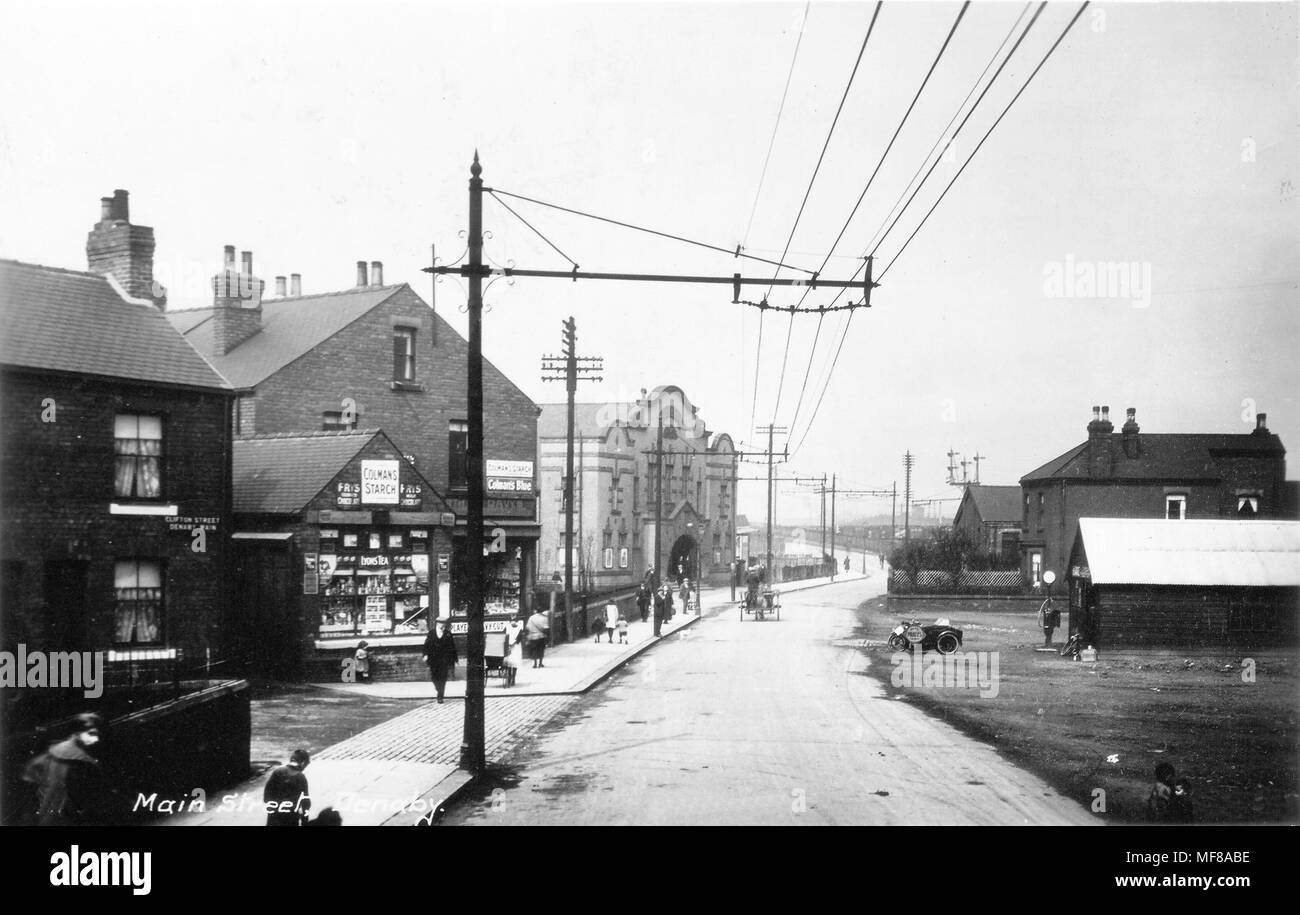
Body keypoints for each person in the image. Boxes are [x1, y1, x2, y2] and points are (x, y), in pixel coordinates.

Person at [23, 712, 107, 826]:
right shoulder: (65, 756)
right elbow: (53, 789)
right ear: (77, 733)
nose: (96, 739)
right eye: (91, 733)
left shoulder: (70, 754)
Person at [264, 748, 312, 826]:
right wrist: (305, 821)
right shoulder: (300, 777)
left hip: (274, 817)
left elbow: (267, 794)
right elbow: (305, 802)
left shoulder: (277, 772)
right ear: (303, 763)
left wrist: (272, 808)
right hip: (291, 818)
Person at [423, 619, 458, 703]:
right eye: (441, 623)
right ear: (437, 623)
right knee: (434, 677)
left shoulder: (448, 634)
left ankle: (440, 696)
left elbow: (452, 647)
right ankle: (438, 688)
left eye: (444, 623)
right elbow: (426, 645)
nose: (443, 625)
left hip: (444, 660)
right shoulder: (431, 633)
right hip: (433, 659)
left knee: (443, 677)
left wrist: (455, 658)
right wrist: (425, 655)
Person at [503, 615, 524, 687]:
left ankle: (513, 678)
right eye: (512, 621)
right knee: (509, 662)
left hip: (515, 647)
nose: (513, 622)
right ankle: (509, 678)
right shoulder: (507, 627)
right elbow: (504, 636)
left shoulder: (519, 628)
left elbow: (519, 638)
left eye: (514, 620)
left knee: (514, 662)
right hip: (510, 647)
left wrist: (512, 642)